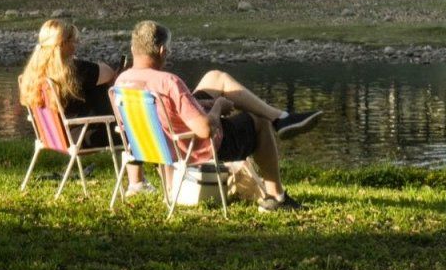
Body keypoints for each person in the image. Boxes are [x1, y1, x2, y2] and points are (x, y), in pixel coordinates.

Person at [115, 20, 322, 212]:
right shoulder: (168, 82)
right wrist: (218, 107)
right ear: (162, 51)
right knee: (259, 120)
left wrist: (203, 104)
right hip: (191, 147)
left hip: (159, 145)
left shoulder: (121, 83)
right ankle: (276, 197)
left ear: (134, 49)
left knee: (215, 77)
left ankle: (281, 117)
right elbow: (205, 129)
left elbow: (144, 120)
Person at [18, 19, 147, 194]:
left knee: (95, 91)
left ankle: (138, 183)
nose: (76, 45)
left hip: (53, 135)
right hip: (82, 136)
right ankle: (137, 184)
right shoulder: (75, 70)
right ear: (63, 44)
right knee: (134, 127)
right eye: (74, 41)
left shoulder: (34, 73)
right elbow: (108, 74)